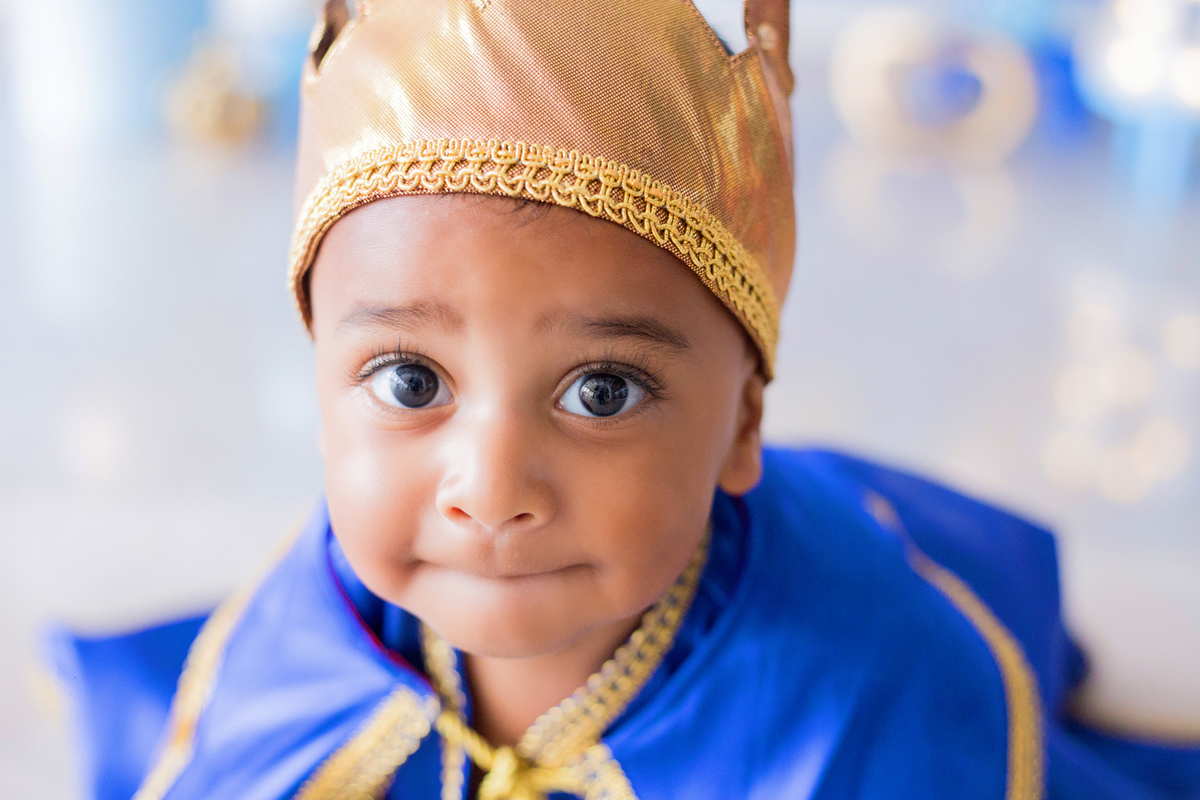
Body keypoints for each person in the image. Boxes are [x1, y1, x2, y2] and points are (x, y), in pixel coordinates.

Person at [50, 1, 1200, 798]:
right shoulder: (317, 625)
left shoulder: (865, 695)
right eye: (410, 382)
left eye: (602, 391)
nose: (491, 489)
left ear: (745, 419)